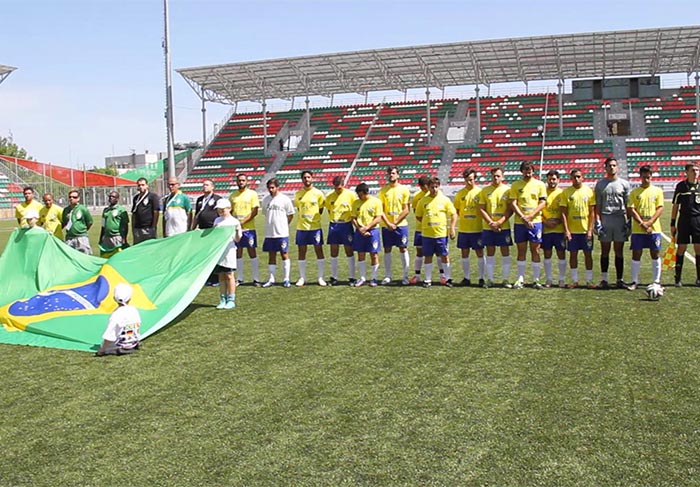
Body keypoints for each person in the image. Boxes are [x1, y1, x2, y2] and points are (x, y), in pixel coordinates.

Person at [509, 161, 547, 289]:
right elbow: (513, 203)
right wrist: (523, 217)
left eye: (530, 169)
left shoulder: (540, 184)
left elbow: (542, 203)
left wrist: (530, 216)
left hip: (535, 222)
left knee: (535, 250)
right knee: (521, 250)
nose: (528, 172)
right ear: (522, 171)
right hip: (520, 223)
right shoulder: (515, 185)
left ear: (533, 171)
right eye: (525, 170)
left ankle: (536, 279)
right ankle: (520, 279)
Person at [594, 157, 630, 288]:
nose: (612, 168)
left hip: (619, 218)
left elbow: (628, 205)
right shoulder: (600, 184)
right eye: (609, 165)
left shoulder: (624, 184)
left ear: (617, 167)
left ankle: (619, 280)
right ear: (605, 167)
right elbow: (597, 205)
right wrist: (597, 221)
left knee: (619, 251)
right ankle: (604, 279)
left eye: (614, 165)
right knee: (605, 250)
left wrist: (629, 221)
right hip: (606, 218)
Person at [626, 165, 664, 290]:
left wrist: (650, 222)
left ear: (651, 176)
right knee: (636, 254)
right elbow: (631, 209)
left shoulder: (657, 191)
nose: (646, 180)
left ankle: (656, 281)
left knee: (655, 253)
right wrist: (642, 223)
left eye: (648, 177)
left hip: (654, 229)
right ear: (640, 177)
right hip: (638, 229)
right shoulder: (634, 192)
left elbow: (660, 208)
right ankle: (634, 281)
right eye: (644, 177)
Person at [415, 177, 457, 287]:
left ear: (439, 186)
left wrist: (452, 227)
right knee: (428, 256)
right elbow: (418, 216)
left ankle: (447, 278)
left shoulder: (445, 200)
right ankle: (428, 280)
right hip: (427, 235)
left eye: (436, 187)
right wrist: (427, 224)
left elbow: (453, 214)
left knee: (444, 255)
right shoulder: (423, 201)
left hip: (441, 234)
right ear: (428, 188)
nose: (434, 189)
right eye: (432, 187)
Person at [560, 169, 596, 288]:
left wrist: (590, 229)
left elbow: (592, 213)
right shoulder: (566, 193)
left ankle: (589, 280)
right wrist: (567, 230)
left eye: (578, 176)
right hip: (573, 231)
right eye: (574, 177)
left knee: (588, 255)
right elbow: (563, 213)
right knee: (573, 255)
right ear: (571, 178)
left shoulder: (589, 192)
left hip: (585, 230)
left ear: (582, 178)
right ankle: (574, 280)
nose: (576, 179)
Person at [479, 167, 513, 288]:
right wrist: (491, 223)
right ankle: (490, 279)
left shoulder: (508, 191)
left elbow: (510, 209)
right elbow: (481, 209)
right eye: (494, 175)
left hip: (503, 226)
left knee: (505, 252)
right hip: (489, 227)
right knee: (490, 252)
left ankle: (505, 279)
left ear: (502, 177)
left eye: (498, 175)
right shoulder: (485, 191)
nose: (496, 178)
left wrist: (499, 222)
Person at [378, 166, 411, 285]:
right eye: (389, 173)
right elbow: (380, 210)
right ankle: (388, 276)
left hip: (400, 225)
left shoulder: (404, 190)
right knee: (387, 249)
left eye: (393, 173)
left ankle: (405, 276)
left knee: (403, 248)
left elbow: (406, 209)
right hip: (386, 225)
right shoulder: (383, 191)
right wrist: (388, 223)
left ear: (398, 175)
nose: (391, 175)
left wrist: (395, 222)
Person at [293, 170, 327, 287]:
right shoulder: (298, 194)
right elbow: (299, 209)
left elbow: (321, 209)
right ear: (302, 180)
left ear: (312, 178)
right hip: (302, 227)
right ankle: (302, 277)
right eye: (304, 178)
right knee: (301, 251)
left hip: (315, 227)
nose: (306, 179)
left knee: (319, 250)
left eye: (308, 177)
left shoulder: (318, 193)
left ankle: (320, 277)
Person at [261, 178, 295, 288]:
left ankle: (286, 279)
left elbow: (290, 215)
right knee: (271, 255)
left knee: (284, 254)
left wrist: (284, 225)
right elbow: (266, 214)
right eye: (269, 188)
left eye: (273, 187)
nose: (271, 190)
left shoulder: (285, 199)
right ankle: (271, 279)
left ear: (277, 187)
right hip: (270, 233)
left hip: (282, 233)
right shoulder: (265, 200)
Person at [453, 168, 485, 286]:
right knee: (464, 253)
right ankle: (466, 278)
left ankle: (481, 278)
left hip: (477, 229)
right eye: (467, 180)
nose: (469, 182)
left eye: (471, 180)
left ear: (475, 179)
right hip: (464, 229)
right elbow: (456, 211)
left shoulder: (480, 192)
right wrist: (452, 226)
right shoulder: (460, 193)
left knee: (479, 253)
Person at [670, 162, 700, 286]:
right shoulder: (681, 186)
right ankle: (678, 278)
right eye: (693, 170)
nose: (696, 172)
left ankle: (699, 278)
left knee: (698, 248)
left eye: (697, 170)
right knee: (682, 247)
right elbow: (676, 205)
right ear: (686, 172)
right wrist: (672, 223)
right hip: (684, 220)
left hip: (698, 220)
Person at [229, 173, 261, 286]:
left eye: (243, 180)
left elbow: (255, 211)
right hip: (237, 230)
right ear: (236, 182)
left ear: (247, 181)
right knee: (238, 252)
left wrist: (242, 222)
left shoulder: (252, 194)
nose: (241, 182)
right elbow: (230, 212)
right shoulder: (233, 196)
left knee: (252, 252)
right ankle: (240, 278)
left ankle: (256, 279)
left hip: (249, 229)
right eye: (239, 180)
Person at [325, 175, 357, 285]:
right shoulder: (329, 196)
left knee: (349, 250)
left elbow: (355, 209)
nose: (337, 190)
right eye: (335, 188)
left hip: (346, 225)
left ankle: (352, 277)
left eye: (339, 188)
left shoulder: (351, 195)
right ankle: (334, 277)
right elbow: (329, 210)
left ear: (344, 185)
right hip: (334, 225)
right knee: (334, 251)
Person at [351, 183, 384, 287]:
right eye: (358, 195)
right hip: (359, 231)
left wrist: (367, 227)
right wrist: (360, 229)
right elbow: (353, 218)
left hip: (373, 231)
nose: (359, 197)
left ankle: (374, 278)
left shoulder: (376, 202)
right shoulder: (355, 203)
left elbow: (378, 217)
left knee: (373, 254)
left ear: (366, 192)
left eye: (361, 195)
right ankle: (362, 278)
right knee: (360, 254)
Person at [95, 283, 141, 357]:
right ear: (130, 298)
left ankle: (118, 349)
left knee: (104, 344)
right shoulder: (134, 310)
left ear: (114, 299)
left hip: (121, 346)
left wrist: (101, 350)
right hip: (133, 343)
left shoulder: (116, 315)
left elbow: (109, 336)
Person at [213, 198, 243, 309]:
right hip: (220, 251)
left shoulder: (234, 221)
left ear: (229, 209)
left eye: (223, 209)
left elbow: (238, 239)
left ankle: (231, 299)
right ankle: (222, 298)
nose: (220, 211)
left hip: (229, 251)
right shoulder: (217, 221)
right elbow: (214, 236)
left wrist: (236, 231)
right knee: (221, 276)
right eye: (219, 209)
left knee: (229, 275)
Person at [541, 170, 567, 288]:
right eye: (550, 179)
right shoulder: (542, 193)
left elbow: (566, 211)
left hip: (559, 229)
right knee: (547, 254)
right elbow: (537, 209)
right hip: (546, 229)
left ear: (558, 180)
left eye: (554, 179)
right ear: (547, 180)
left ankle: (561, 279)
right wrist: (545, 221)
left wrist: (558, 221)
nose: (552, 181)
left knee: (561, 253)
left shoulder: (562, 193)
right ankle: (549, 279)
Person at [409, 175, 432, 284]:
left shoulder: (434, 194)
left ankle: (443, 275)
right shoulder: (417, 197)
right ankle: (417, 275)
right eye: (422, 187)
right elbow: (415, 212)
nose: (424, 189)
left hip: (433, 229)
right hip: (420, 228)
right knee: (419, 251)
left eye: (426, 186)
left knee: (436, 252)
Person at [62, 190, 93, 254]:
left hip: (81, 237)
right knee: (70, 257)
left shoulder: (82, 209)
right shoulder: (66, 210)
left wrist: (82, 230)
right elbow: (64, 223)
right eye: (70, 197)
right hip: (69, 238)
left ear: (78, 198)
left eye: (74, 197)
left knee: (84, 256)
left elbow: (89, 222)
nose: (71, 198)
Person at [99, 191, 129, 258]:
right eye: (110, 196)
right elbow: (103, 225)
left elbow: (125, 225)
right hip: (107, 237)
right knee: (106, 255)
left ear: (117, 199)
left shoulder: (121, 210)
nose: (110, 198)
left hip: (117, 236)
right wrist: (101, 237)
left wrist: (124, 238)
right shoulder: (106, 210)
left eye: (113, 196)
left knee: (117, 255)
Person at [131, 177, 161, 244]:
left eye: (143, 185)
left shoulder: (153, 196)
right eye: (139, 185)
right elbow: (134, 213)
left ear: (147, 185)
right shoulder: (136, 198)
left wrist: (153, 226)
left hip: (148, 227)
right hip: (137, 228)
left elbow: (156, 212)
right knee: (138, 247)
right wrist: (133, 227)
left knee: (149, 247)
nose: (141, 187)